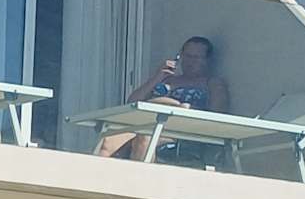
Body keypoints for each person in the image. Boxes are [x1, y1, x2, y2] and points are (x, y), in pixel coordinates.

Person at [95, 36, 230, 160]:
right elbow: (132, 103)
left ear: (207, 60)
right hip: (148, 124)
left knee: (145, 139)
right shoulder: (168, 80)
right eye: (187, 56)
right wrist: (157, 77)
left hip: (182, 133)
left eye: (196, 57)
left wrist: (179, 107)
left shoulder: (212, 83)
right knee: (108, 141)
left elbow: (217, 114)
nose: (190, 62)